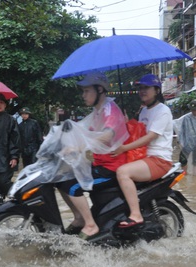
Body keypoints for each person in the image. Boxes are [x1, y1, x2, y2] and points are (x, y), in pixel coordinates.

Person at [56, 72, 129, 240]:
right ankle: (80, 217)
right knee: (60, 178)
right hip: (98, 163)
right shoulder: (97, 111)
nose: (83, 95)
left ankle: (90, 224)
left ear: (100, 90)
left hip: (110, 167)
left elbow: (107, 135)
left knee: (73, 187)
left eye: (87, 91)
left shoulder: (110, 110)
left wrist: (81, 146)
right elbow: (83, 131)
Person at [111, 74, 174, 228]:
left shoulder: (163, 111)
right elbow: (138, 134)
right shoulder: (144, 110)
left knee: (123, 172)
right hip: (144, 157)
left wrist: (124, 148)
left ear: (157, 90)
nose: (142, 91)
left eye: (146, 87)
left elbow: (150, 137)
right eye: (140, 88)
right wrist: (126, 124)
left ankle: (136, 215)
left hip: (159, 159)